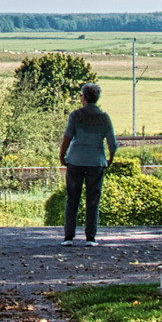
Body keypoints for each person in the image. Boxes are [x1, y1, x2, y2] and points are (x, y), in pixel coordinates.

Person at [59, 82, 119, 244]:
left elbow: (67, 137)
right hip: (96, 161)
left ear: (84, 97)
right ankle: (90, 237)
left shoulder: (76, 116)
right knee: (93, 200)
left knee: (73, 199)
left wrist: (62, 155)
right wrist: (110, 159)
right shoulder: (104, 118)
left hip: (76, 160)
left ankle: (69, 236)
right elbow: (112, 143)